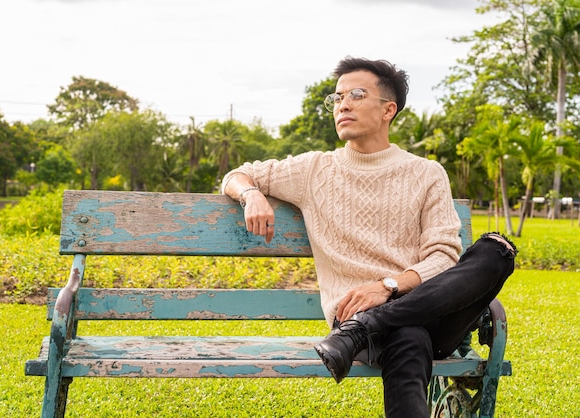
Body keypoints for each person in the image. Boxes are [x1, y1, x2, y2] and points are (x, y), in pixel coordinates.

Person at [221, 56, 516, 417]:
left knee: (496, 251)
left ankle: (367, 326)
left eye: (357, 94)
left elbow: (443, 257)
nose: (342, 104)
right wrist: (251, 194)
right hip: (360, 316)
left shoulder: (426, 173)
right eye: (337, 97)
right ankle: (367, 325)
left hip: (426, 311)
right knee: (409, 336)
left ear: (388, 110)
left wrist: (388, 286)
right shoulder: (314, 169)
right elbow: (238, 173)